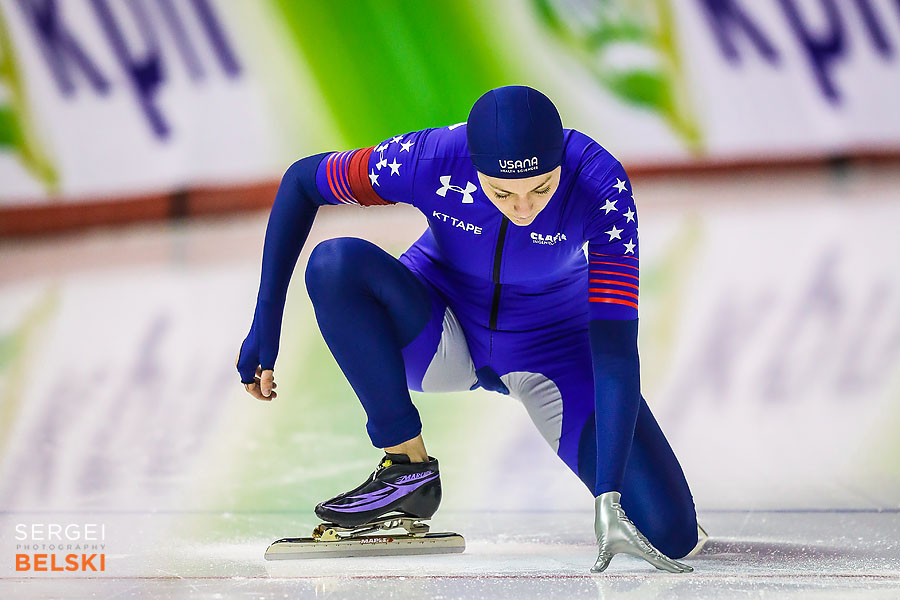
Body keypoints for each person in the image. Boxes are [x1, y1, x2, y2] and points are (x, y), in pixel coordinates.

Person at [237, 86, 699, 572]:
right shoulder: (430, 159)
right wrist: (266, 319)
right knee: (335, 264)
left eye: (542, 188)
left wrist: (609, 497)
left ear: (560, 160)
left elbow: (615, 350)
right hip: (439, 326)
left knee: (669, 532)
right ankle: (406, 469)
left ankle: (640, 503)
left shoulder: (600, 183)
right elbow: (301, 182)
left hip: (553, 351)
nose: (524, 207)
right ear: (473, 166)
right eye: (501, 191)